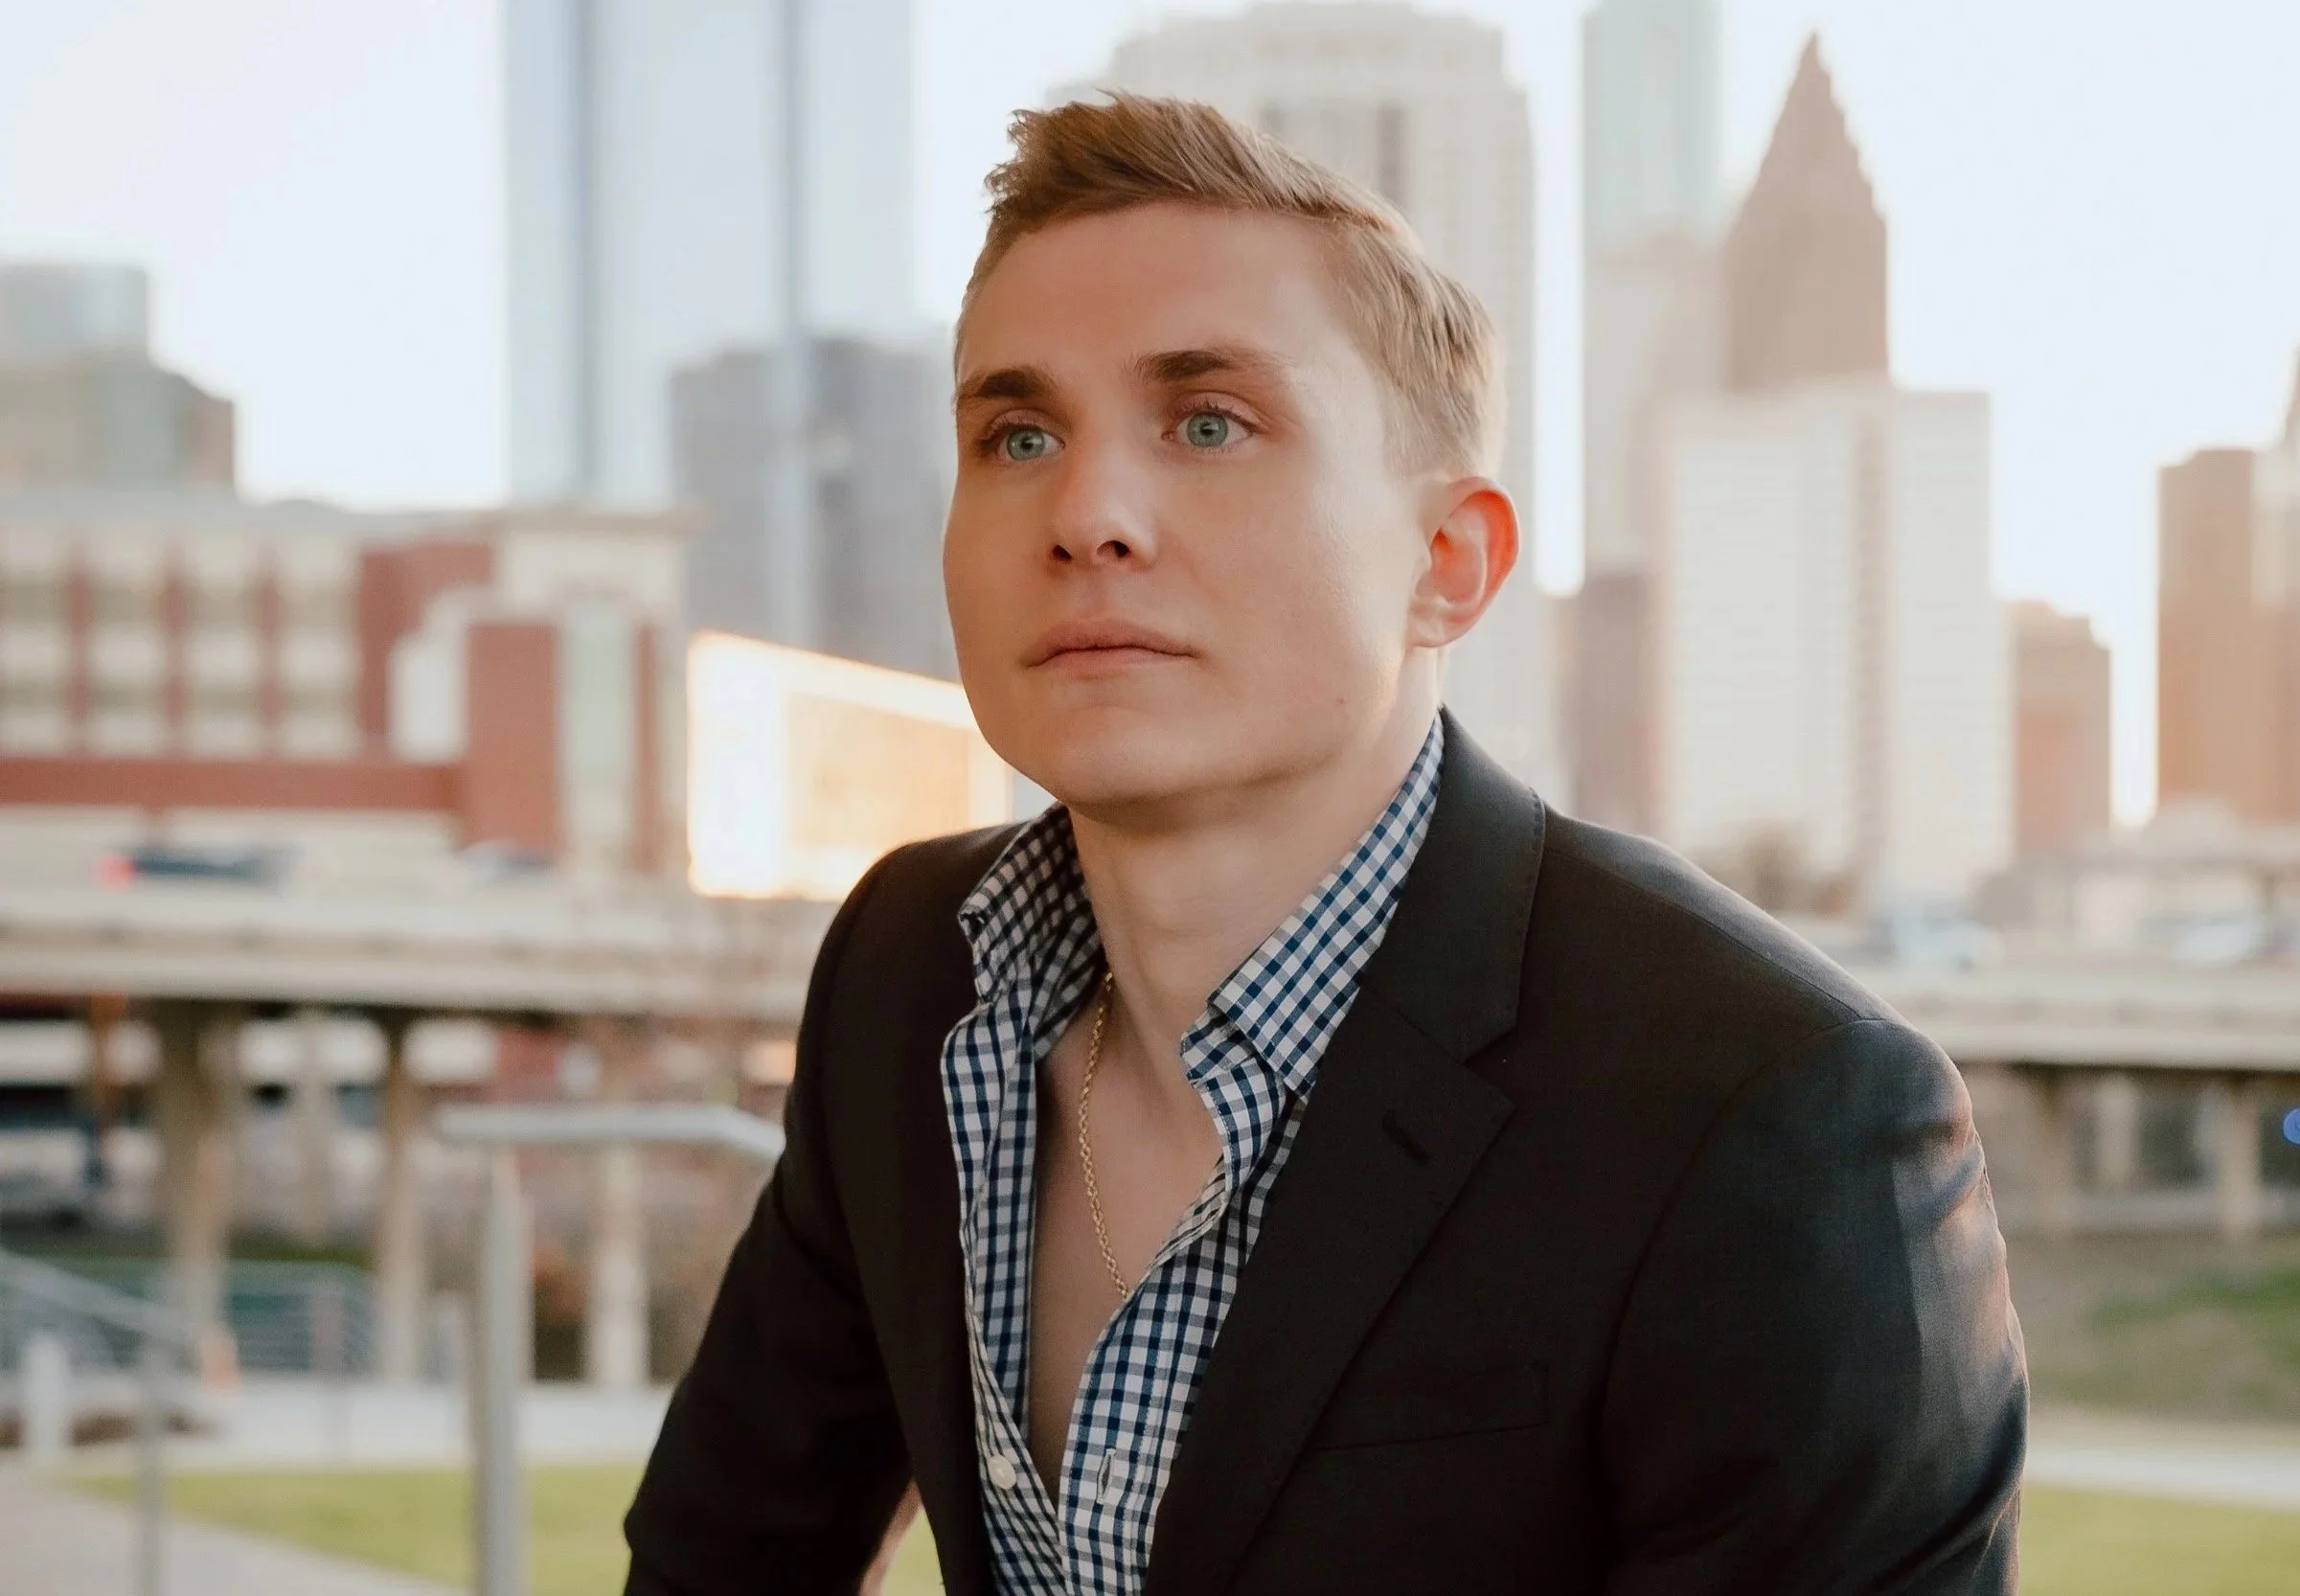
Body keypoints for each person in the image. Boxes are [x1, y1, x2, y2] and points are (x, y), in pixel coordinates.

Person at [626, 94, 2025, 1596]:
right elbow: (721, 1557)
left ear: (1448, 562)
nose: (1088, 511)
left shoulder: (1779, 1119)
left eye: (1210, 421)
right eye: (1018, 433)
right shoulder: (908, 977)